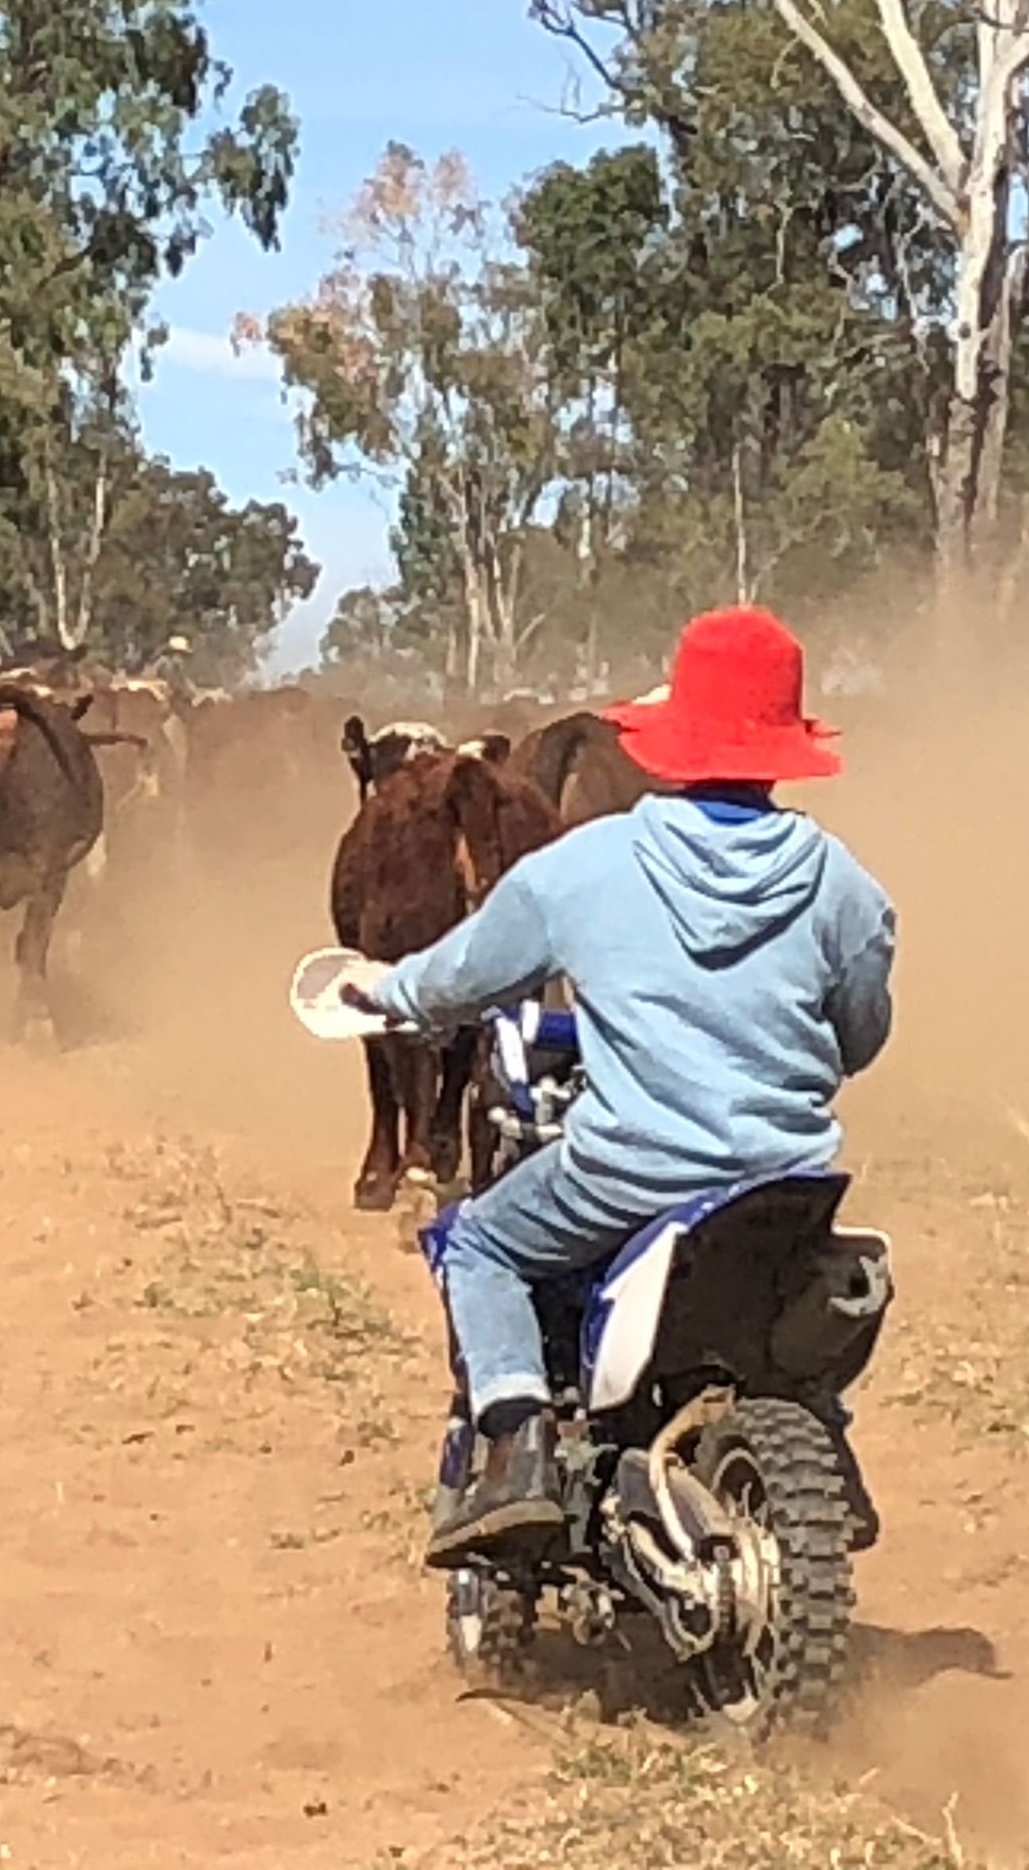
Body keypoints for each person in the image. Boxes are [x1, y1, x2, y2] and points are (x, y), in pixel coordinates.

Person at [343, 606, 895, 1567]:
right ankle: (819, 1434)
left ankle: (516, 1446)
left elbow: (459, 977)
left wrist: (383, 990)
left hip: (626, 1174)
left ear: (673, 744)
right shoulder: (842, 884)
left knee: (478, 1244)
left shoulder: (584, 868)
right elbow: (862, 1035)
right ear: (782, 749)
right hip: (788, 1182)